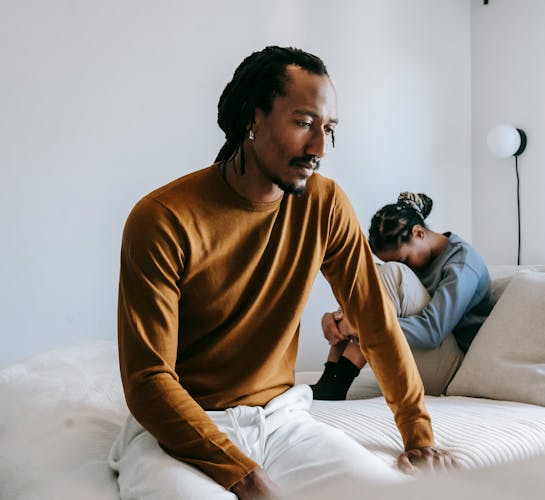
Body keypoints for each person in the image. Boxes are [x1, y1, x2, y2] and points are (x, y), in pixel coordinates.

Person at [109, 46, 455, 500]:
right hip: (178, 429)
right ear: (253, 119)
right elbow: (148, 380)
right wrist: (247, 478)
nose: (320, 148)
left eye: (329, 129)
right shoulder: (162, 218)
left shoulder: (324, 203)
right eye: (304, 123)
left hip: (278, 420)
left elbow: (375, 322)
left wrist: (418, 434)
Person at [311, 192, 494, 400]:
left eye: (404, 259)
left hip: (452, 371)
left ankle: (338, 382)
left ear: (419, 233)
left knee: (391, 274)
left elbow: (431, 331)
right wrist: (339, 318)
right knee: (376, 274)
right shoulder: (421, 256)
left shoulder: (462, 263)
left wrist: (365, 325)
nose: (405, 266)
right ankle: (330, 379)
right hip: (421, 360)